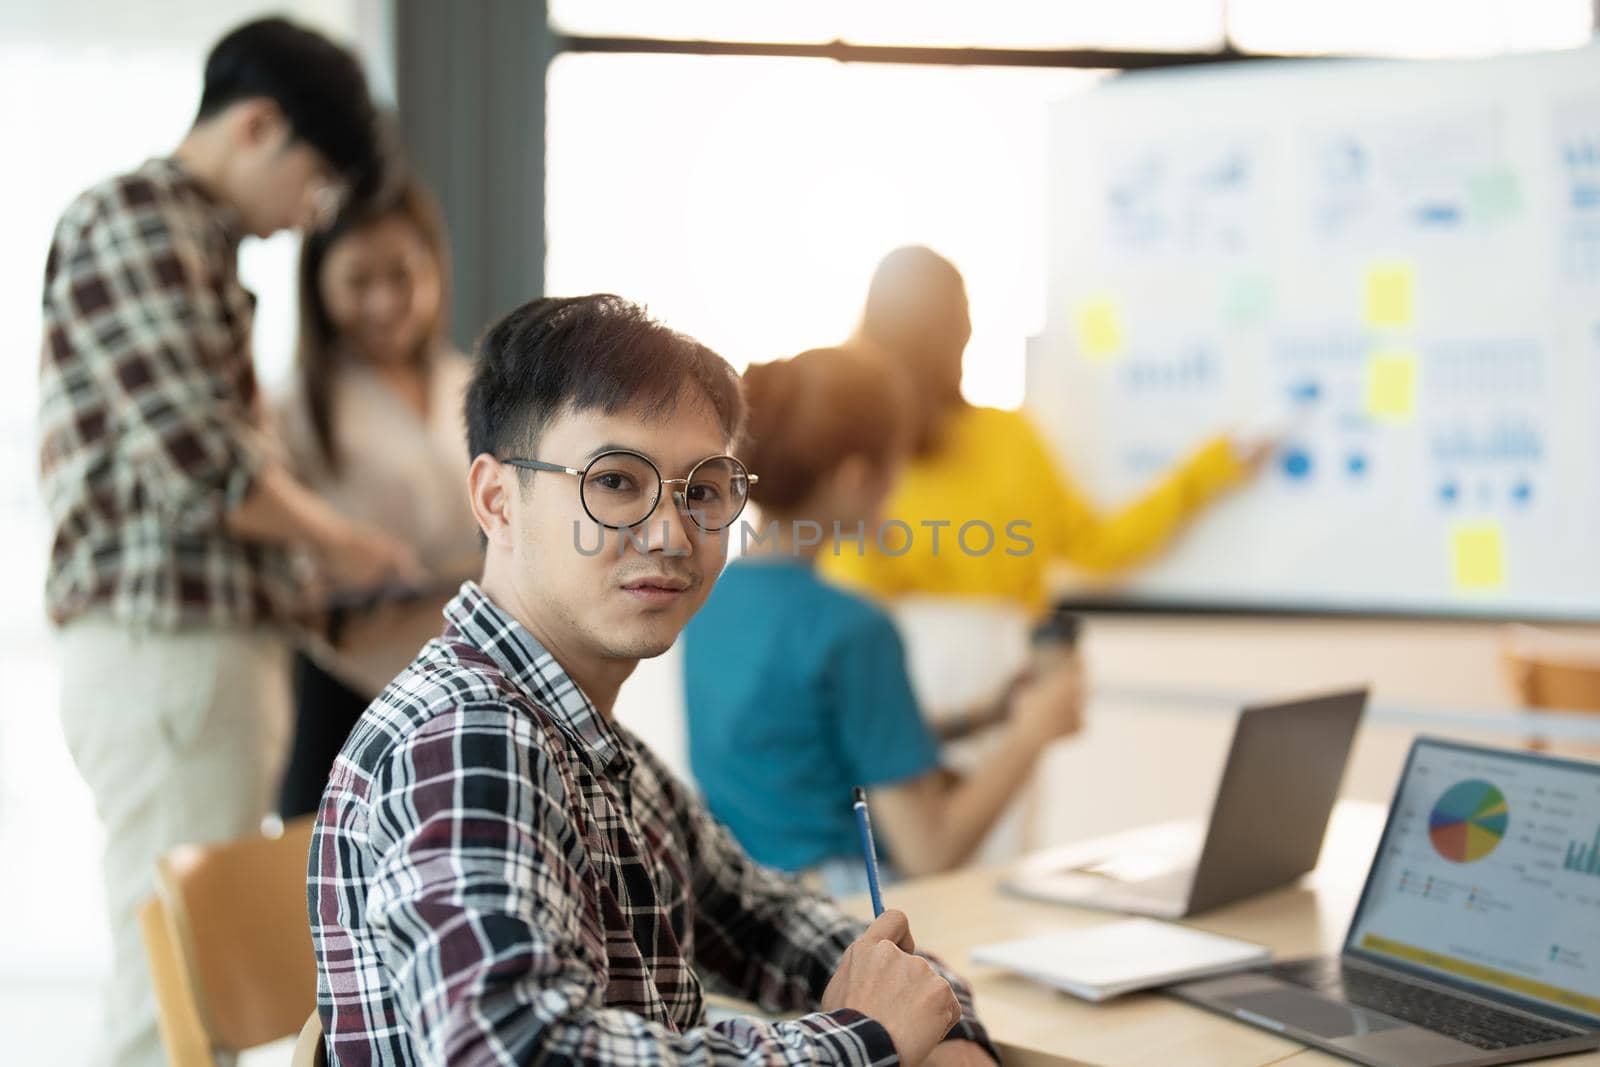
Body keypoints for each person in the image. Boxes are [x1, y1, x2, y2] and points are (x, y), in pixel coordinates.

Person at [308, 296, 999, 1067]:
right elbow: (521, 1052)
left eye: (703, 491)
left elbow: (791, 928)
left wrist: (936, 1023)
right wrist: (864, 1038)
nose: (671, 532)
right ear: (497, 501)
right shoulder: (468, 737)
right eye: (616, 482)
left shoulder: (601, 753)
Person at [36, 18, 413, 1067]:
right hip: (170, 644)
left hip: (189, 649)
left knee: (177, 965)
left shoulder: (181, 235)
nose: (308, 217)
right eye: (315, 183)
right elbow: (200, 457)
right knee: (175, 979)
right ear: (257, 127)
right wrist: (343, 540)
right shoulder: (143, 219)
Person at [683, 347, 1083, 893]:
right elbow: (930, 850)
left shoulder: (710, 600)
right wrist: (1034, 732)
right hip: (841, 920)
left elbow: (810, 743)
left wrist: (984, 717)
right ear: (854, 480)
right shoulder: (852, 629)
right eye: (897, 468)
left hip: (737, 908)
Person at [821, 245, 1268, 613]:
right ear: (953, 330)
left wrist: (1211, 468)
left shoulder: (1003, 436)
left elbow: (1097, 544)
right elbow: (1101, 545)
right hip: (981, 703)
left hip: (999, 704)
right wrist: (1207, 469)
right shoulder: (883, 460)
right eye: (965, 314)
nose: (971, 329)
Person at [272, 174, 481, 818]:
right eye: (358, 282)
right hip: (343, 686)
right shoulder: (296, 405)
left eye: (405, 275)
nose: (387, 302)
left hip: (459, 679)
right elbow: (283, 559)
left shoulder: (468, 383)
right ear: (319, 286)